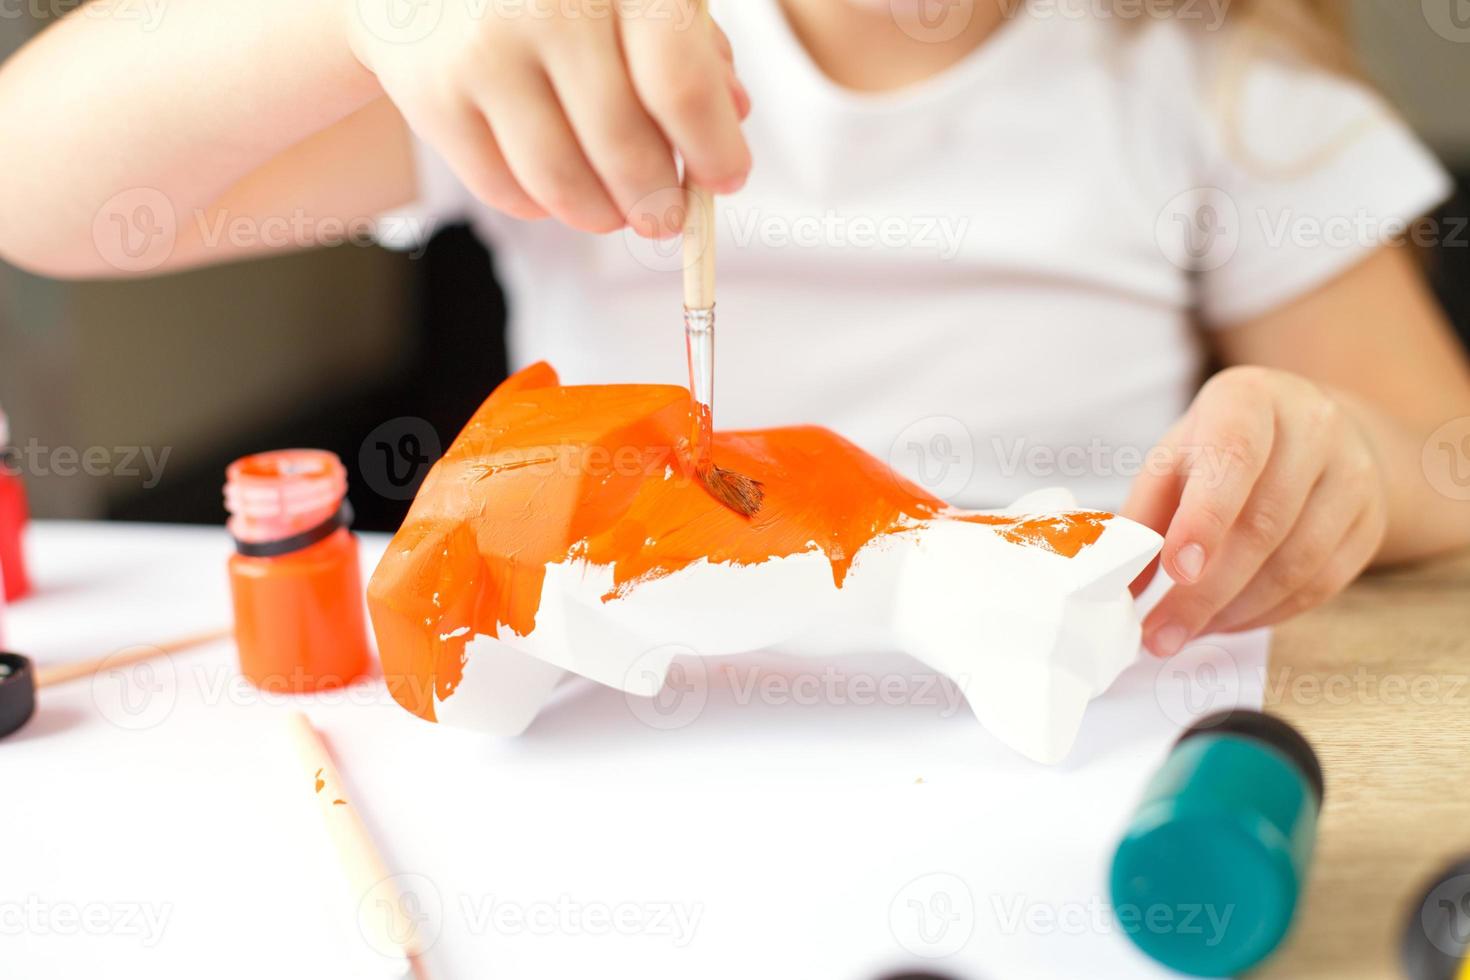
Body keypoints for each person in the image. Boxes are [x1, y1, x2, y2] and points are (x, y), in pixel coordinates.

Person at [0, 0, 1467, 658]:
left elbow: (1434, 457)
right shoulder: (560, 43)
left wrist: (1326, 448)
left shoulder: (1202, 73)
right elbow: (38, 188)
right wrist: (370, 17)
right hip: (617, 709)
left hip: (1053, 700)